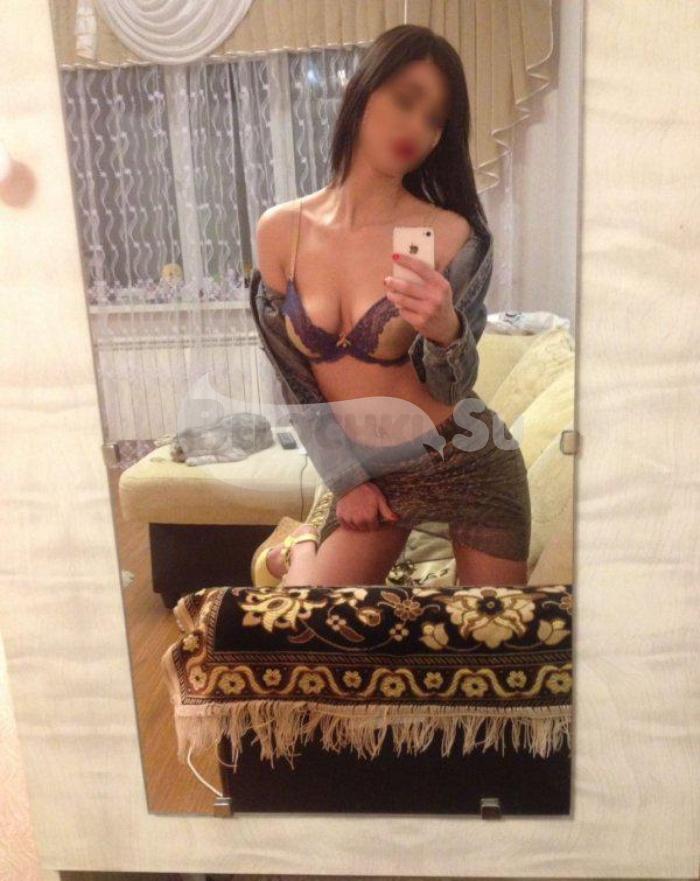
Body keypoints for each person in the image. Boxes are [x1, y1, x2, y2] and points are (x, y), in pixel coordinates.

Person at [250, 23, 531, 587]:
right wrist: (346, 479)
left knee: (490, 635)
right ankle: (299, 544)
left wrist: (447, 331)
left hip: (469, 459)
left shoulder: (453, 235)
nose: (417, 128)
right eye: (406, 100)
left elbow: (452, 387)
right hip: (372, 474)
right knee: (308, 626)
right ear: (362, 92)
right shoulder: (282, 231)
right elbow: (293, 377)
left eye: (435, 118)